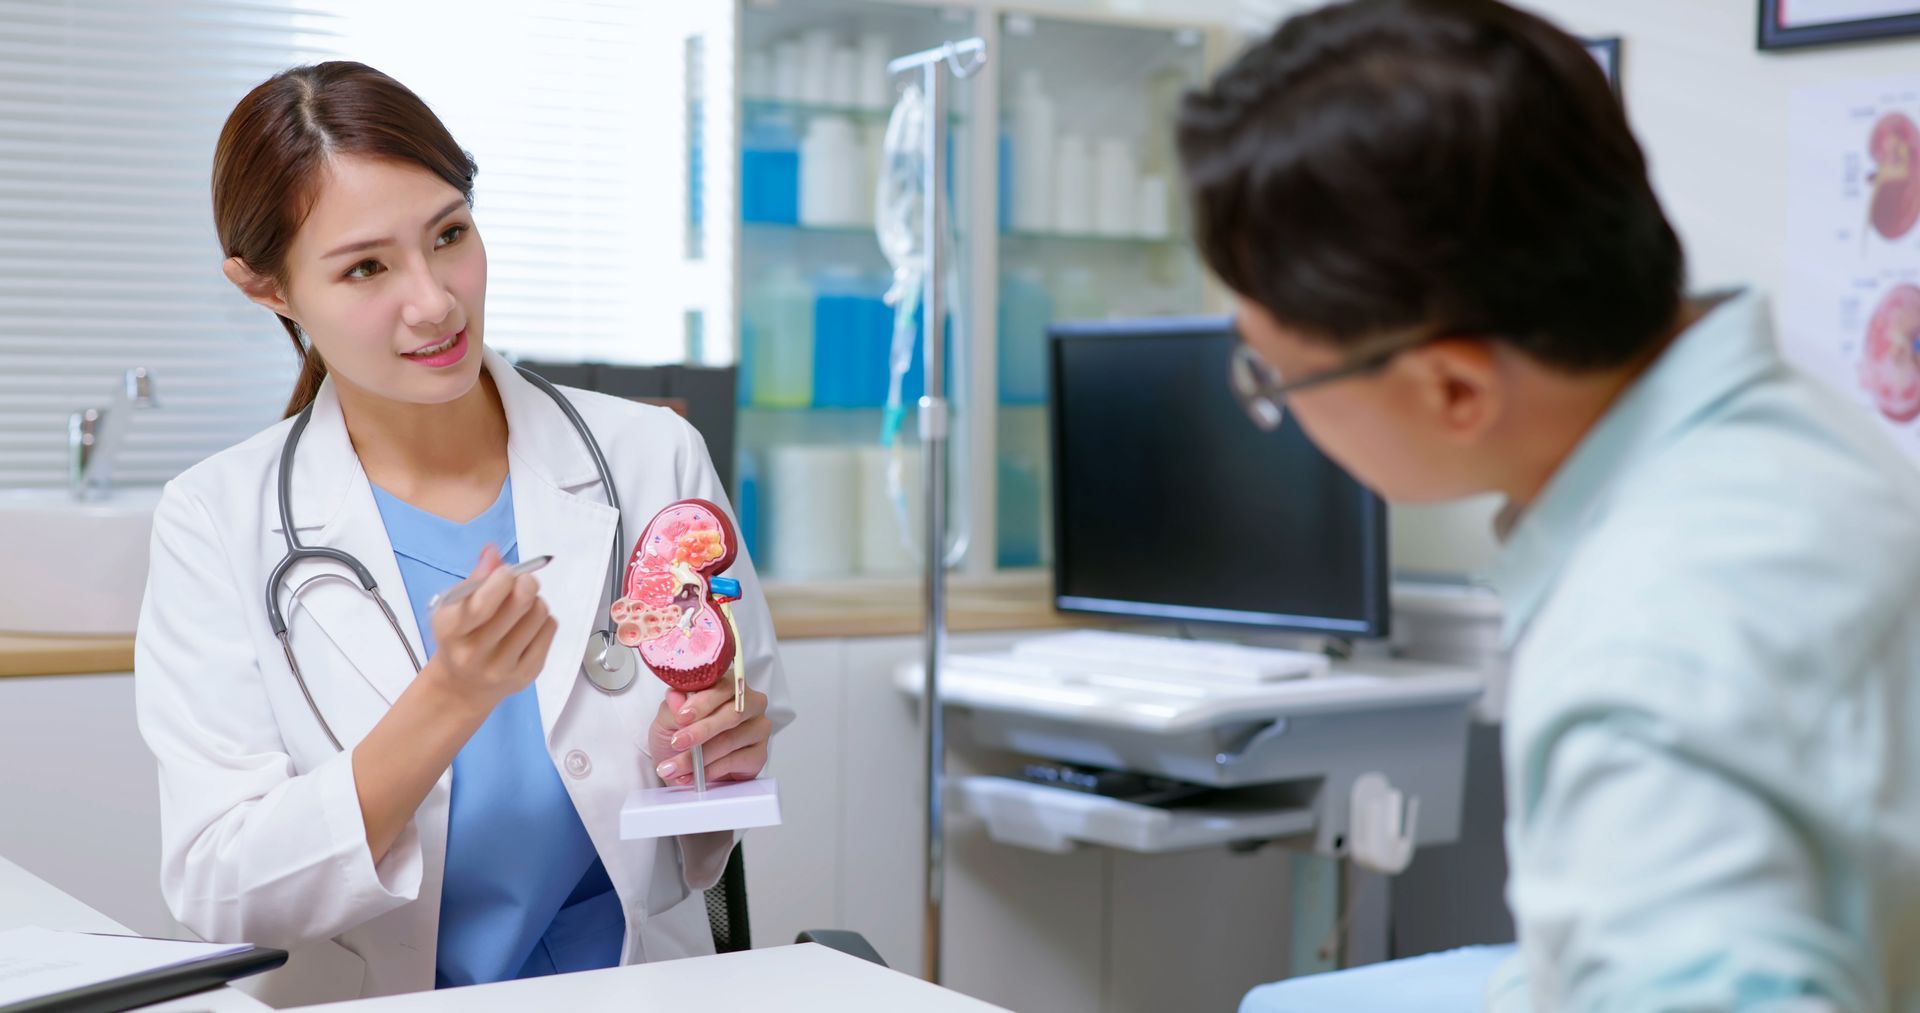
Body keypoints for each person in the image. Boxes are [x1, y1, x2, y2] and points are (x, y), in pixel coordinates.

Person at [1177, 2, 1920, 1009]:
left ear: (1454, 390)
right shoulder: (1777, 428)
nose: (1274, 403)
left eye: (1271, 378)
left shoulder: (1649, 645)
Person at [134, 61, 792, 1003]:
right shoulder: (215, 519)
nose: (436, 300)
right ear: (268, 287)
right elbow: (220, 884)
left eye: (449, 234)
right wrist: (450, 697)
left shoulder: (653, 458)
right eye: (367, 266)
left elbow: (730, 739)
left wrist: (718, 746)